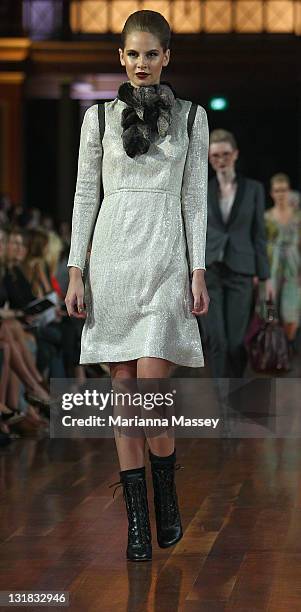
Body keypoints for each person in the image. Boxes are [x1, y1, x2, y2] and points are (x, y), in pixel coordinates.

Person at [66, 10, 209, 562]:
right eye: (133, 54)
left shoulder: (193, 117)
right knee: (123, 395)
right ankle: (136, 521)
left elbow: (194, 200)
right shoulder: (98, 118)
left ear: (167, 56)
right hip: (112, 258)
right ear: (120, 57)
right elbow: (84, 196)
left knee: (149, 394)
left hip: (167, 256)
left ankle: (166, 494)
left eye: (152, 53)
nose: (142, 63)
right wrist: (76, 269)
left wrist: (198, 269)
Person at [200, 128, 274, 379]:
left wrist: (265, 279)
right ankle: (224, 406)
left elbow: (259, 235)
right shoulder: (202, 190)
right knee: (217, 340)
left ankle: (235, 394)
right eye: (215, 156)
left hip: (242, 270)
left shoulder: (253, 189)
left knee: (236, 341)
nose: (220, 161)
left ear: (236, 155)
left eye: (225, 155)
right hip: (211, 271)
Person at [265, 173, 301, 353]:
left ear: (289, 191)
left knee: (291, 313)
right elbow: (262, 245)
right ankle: (274, 349)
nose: (281, 194)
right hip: (272, 269)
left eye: (284, 190)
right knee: (270, 310)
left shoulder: (297, 217)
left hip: (293, 268)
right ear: (272, 193)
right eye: (277, 191)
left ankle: (288, 345)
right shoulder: (267, 217)